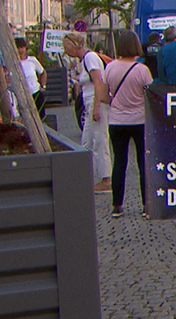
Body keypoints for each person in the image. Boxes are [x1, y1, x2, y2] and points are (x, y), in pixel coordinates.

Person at [103, 31, 153, 218]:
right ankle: (146, 204)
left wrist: (115, 103)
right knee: (142, 162)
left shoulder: (109, 68)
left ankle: (117, 204)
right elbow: (149, 94)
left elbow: (102, 96)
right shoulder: (142, 70)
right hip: (139, 120)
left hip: (117, 120)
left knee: (119, 162)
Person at [62, 32, 111, 193]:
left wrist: (96, 106)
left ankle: (106, 178)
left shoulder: (90, 58)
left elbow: (98, 82)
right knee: (87, 141)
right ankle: (87, 176)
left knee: (99, 139)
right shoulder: (86, 60)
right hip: (90, 101)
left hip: (94, 101)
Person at [15, 38, 46, 119]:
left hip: (35, 91)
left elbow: (42, 72)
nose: (20, 50)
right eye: (18, 48)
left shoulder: (32, 60)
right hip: (23, 94)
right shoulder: (14, 63)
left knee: (40, 116)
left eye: (22, 47)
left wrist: (43, 86)